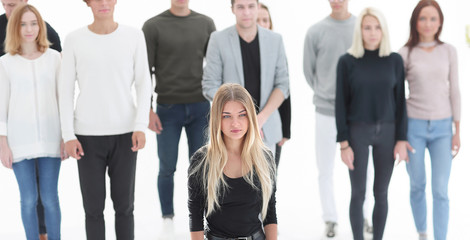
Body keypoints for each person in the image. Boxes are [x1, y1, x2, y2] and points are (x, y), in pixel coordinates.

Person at [58, 0, 151, 239]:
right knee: (93, 210)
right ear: (87, 2)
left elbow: (144, 84)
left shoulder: (133, 36)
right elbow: (65, 90)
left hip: (126, 134)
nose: (103, 3)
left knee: (125, 208)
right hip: (87, 137)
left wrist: (140, 126)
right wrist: (68, 135)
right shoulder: (74, 39)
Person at [141, 0, 215, 237]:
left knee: (202, 165)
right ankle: (167, 217)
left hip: (200, 106)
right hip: (167, 109)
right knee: (167, 166)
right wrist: (148, 110)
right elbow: (144, 71)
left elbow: (215, 66)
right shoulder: (153, 26)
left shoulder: (205, 23)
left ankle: (204, 215)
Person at [303, 0, 376, 237]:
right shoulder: (315, 31)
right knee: (325, 168)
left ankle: (365, 215)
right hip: (325, 110)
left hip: (357, 113)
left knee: (362, 168)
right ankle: (330, 218)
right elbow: (309, 70)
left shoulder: (362, 27)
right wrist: (327, 94)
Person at [335, 7, 409, 240]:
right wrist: (343, 143)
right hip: (357, 131)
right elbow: (341, 104)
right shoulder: (347, 62)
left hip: (387, 132)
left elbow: (400, 103)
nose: (373, 32)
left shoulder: (395, 60)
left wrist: (401, 139)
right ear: (360, 30)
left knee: (381, 193)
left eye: (377, 27)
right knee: (358, 193)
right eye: (367, 27)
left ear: (383, 30)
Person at [0, 4, 65, 240]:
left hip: (51, 139)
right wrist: (3, 143)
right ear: (14, 28)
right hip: (19, 141)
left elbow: (63, 100)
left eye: (34, 23)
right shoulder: (5, 63)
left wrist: (65, 136)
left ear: (41, 26)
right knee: (28, 199)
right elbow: (2, 106)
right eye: (23, 24)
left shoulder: (55, 58)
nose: (29, 29)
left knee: (49, 198)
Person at [398, 1, 461, 239]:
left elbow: (454, 90)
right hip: (413, 127)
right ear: (415, 21)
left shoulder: (449, 51)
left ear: (440, 22)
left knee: (440, 190)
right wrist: (400, 136)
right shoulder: (405, 53)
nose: (428, 24)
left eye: (433, 18)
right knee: (417, 185)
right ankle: (423, 233)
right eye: (423, 18)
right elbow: (395, 94)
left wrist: (457, 129)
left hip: (444, 128)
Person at [188, 83, 277, 240]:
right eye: (226, 116)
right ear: (217, 119)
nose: (235, 123)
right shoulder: (201, 161)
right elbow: (195, 216)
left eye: (242, 115)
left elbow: (269, 212)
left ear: (250, 117)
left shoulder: (265, 158)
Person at [202, 0, 290, 154]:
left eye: (251, 6)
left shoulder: (275, 40)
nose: (247, 12)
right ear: (232, 9)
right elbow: (209, 86)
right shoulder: (218, 40)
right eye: (240, 7)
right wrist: (237, 114)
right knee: (229, 178)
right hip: (231, 129)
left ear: (258, 7)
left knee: (268, 178)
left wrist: (259, 119)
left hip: (267, 128)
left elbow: (282, 85)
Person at [257, 3, 291, 168]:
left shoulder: (277, 48)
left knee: (271, 180)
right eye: (258, 20)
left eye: (265, 20)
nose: (262, 24)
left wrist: (286, 130)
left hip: (273, 126)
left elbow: (285, 91)